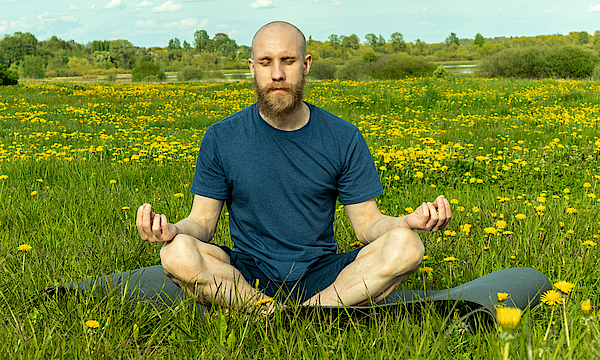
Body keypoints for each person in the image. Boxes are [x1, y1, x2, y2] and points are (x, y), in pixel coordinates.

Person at [136, 21, 451, 311]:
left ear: (306, 64)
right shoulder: (221, 137)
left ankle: (309, 312)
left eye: (287, 61)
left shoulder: (343, 136)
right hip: (249, 274)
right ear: (252, 68)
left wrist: (406, 222)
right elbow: (202, 224)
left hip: (320, 273)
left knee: (407, 246)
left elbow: (368, 225)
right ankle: (266, 311)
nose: (277, 74)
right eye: (265, 62)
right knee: (175, 252)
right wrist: (173, 230)